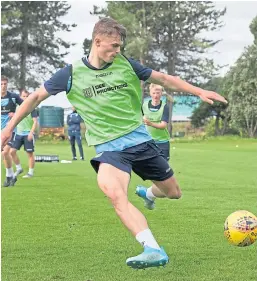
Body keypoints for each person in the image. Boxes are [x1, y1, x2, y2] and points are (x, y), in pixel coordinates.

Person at [1, 18, 227, 268]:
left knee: (173, 192)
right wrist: (8, 129)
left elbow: (163, 78)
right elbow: (34, 98)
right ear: (97, 42)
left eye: (120, 46)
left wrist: (198, 91)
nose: (118, 51)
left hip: (140, 142)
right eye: (114, 45)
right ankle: (152, 248)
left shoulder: (126, 64)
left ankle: (148, 193)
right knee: (114, 193)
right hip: (109, 148)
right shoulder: (71, 74)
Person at [136, 83, 171, 210]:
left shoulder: (165, 107)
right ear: (150, 93)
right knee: (156, 172)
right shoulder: (144, 105)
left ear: (161, 94)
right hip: (148, 141)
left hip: (162, 142)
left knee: (164, 172)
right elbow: (138, 120)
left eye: (158, 93)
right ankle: (149, 195)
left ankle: (147, 194)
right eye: (154, 93)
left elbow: (163, 125)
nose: (156, 95)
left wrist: (150, 123)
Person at [10, 90, 38, 178]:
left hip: (28, 134)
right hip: (18, 134)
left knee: (29, 154)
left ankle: (30, 173)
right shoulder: (17, 107)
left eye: (27, 96)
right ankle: (19, 168)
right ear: (20, 97)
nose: (25, 98)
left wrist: (31, 133)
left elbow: (35, 122)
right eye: (23, 96)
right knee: (12, 152)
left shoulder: (32, 107)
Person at [1, 75, 23, 187]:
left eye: (5, 84)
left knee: (5, 152)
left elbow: (25, 106)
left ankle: (10, 175)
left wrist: (15, 114)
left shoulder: (13, 97)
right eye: (1, 84)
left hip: (11, 130)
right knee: (4, 155)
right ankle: (10, 175)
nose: (3, 86)